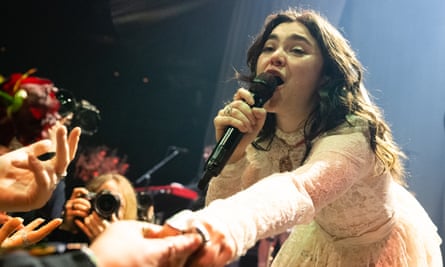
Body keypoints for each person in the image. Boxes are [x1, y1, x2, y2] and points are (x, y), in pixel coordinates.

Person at [148, 8, 443, 266]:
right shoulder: (262, 134)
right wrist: (234, 157)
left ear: (326, 76)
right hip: (320, 241)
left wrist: (214, 227)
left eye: (297, 50)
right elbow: (223, 204)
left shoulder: (352, 134)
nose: (276, 56)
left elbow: (300, 189)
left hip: (378, 249)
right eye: (269, 47)